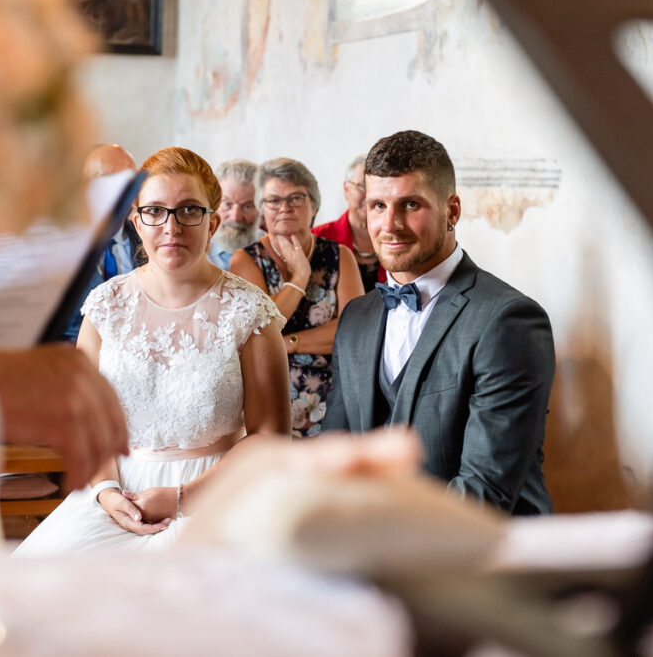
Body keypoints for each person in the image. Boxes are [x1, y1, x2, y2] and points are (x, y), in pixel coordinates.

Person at [14, 146, 290, 555]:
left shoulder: (249, 311)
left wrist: (182, 497)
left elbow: (270, 436)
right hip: (119, 497)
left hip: (219, 496)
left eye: (189, 210)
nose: (171, 227)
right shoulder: (105, 307)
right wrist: (107, 490)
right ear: (136, 219)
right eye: (155, 211)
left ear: (212, 222)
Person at [321, 130, 554, 515]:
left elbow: (485, 491)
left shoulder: (508, 319)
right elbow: (335, 457)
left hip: (487, 560)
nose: (390, 224)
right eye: (377, 205)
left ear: (453, 211)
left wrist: (373, 540)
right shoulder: (357, 318)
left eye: (410, 204)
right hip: (375, 559)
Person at [230, 158, 364, 438]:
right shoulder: (245, 261)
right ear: (262, 212)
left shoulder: (340, 256)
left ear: (313, 206)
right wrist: (300, 276)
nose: (285, 208)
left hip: (335, 400)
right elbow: (260, 330)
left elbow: (353, 332)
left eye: (296, 198)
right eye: (273, 200)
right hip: (270, 402)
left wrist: (287, 344)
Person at [46, 143, 144, 342]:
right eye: (105, 181)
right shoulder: (54, 249)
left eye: (128, 182)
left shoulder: (149, 238)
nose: (117, 192)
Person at [312, 154, 386, 291]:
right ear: (346, 189)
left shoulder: (399, 237)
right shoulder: (318, 238)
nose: (370, 196)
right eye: (363, 186)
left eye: (377, 188)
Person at [207, 159, 263, 269]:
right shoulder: (193, 251)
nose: (235, 217)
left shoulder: (271, 249)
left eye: (247, 206)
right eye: (227, 204)